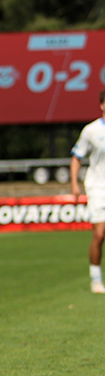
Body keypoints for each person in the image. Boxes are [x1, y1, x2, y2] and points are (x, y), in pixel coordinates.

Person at [69, 89, 105, 294]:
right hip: (98, 186)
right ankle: (96, 279)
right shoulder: (91, 130)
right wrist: (74, 184)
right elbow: (77, 157)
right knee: (99, 234)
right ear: (102, 105)